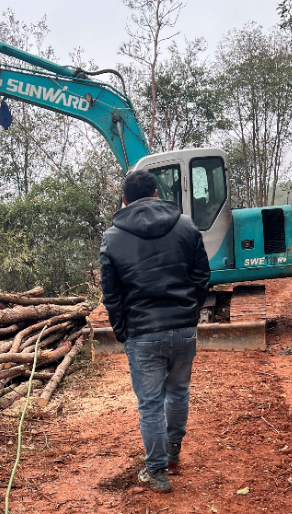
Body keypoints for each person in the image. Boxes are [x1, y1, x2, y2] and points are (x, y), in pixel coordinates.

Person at [100, 170, 210, 493]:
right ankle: (173, 451)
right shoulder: (186, 225)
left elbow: (112, 295)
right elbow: (202, 277)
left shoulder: (113, 238)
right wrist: (190, 312)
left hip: (142, 333)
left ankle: (157, 471)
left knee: (150, 404)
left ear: (124, 199)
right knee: (178, 391)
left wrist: (123, 331)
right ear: (156, 193)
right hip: (183, 327)